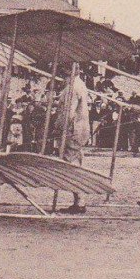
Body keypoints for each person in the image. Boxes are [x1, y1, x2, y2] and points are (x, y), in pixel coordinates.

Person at [56, 65, 91, 215]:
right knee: (75, 161)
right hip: (80, 128)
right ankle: (79, 200)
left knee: (71, 164)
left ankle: (80, 200)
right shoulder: (80, 84)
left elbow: (68, 112)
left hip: (72, 130)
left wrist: (58, 127)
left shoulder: (72, 88)